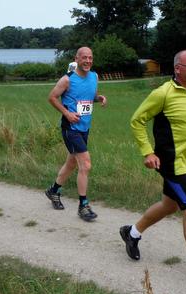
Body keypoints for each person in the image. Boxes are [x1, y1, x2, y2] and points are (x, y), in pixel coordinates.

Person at [120, 50, 186, 290]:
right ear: (178, 68)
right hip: (172, 163)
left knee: (169, 205)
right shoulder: (163, 93)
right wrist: (148, 152)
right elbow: (137, 120)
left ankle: (132, 233)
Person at [45, 46, 107, 222]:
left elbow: (90, 96)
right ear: (77, 59)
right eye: (84, 58)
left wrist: (99, 98)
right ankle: (83, 206)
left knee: (72, 163)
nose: (87, 61)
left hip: (84, 127)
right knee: (85, 165)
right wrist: (67, 113)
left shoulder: (94, 77)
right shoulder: (67, 80)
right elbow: (52, 97)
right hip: (70, 128)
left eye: (90, 58)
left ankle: (53, 191)